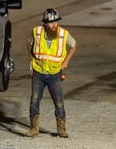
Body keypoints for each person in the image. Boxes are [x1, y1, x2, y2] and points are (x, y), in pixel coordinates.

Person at [25, 8, 78, 138]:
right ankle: (34, 129)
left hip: (55, 73)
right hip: (39, 72)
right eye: (51, 23)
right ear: (45, 23)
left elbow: (74, 45)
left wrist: (65, 62)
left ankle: (61, 129)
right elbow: (29, 44)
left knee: (59, 102)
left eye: (55, 22)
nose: (54, 25)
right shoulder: (36, 32)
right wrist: (32, 59)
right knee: (34, 100)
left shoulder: (63, 34)